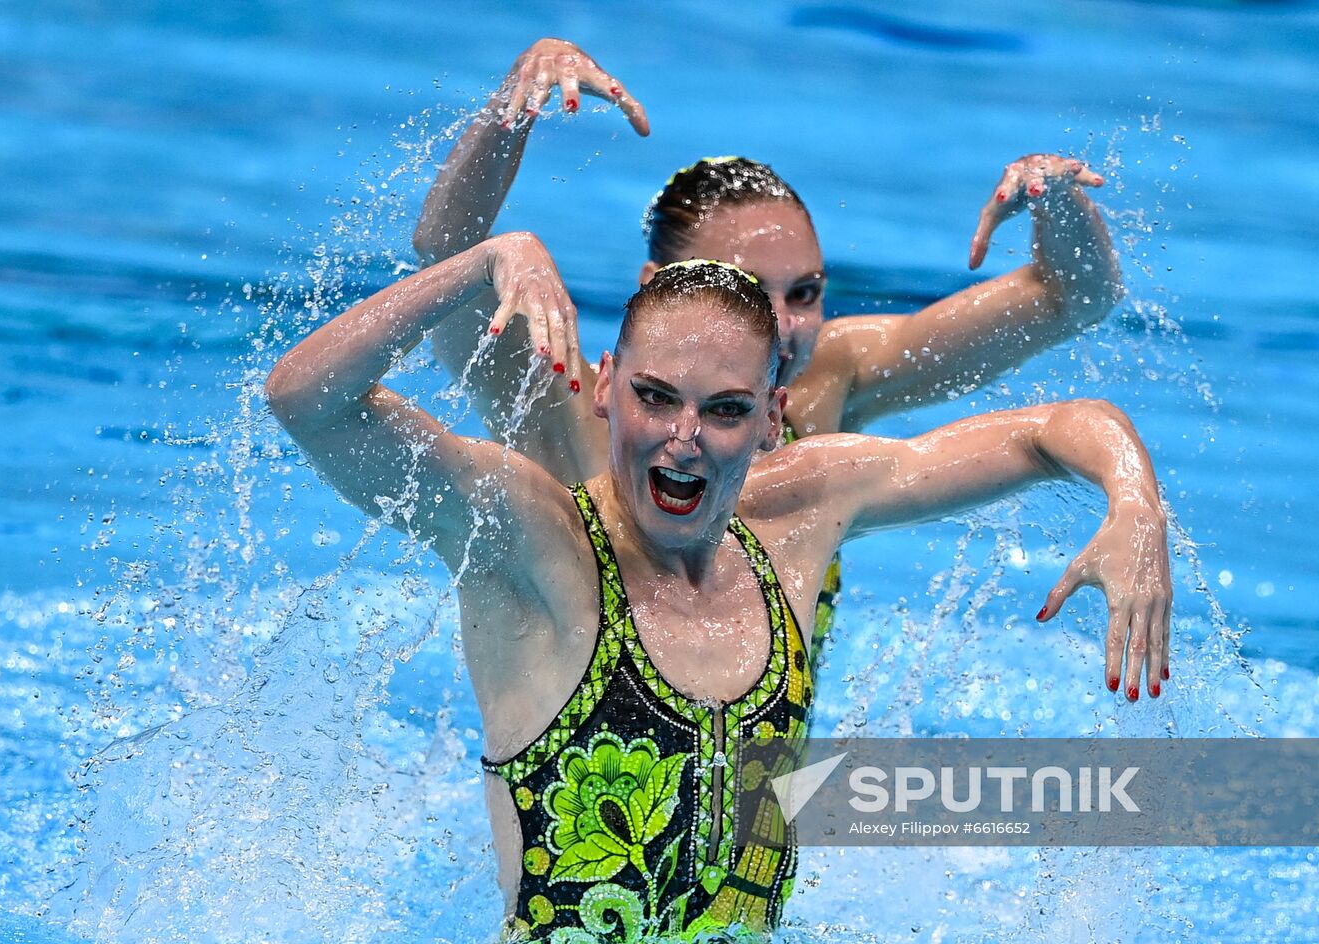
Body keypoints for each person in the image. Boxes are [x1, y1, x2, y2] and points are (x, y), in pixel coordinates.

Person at [265, 237, 1171, 940]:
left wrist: (1133, 504)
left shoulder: (801, 513)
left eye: (726, 409)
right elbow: (306, 398)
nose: (684, 437)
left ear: (773, 417)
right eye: (656, 398)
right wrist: (482, 265)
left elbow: (1058, 427)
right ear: (606, 389)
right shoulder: (536, 543)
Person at [410, 38, 1125, 650]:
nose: (784, 325)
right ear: (658, 286)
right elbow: (445, 253)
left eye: (805, 293)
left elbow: (1073, 297)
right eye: (748, 290)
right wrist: (517, 96)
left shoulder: (830, 378)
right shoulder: (576, 405)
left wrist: (1057, 201)